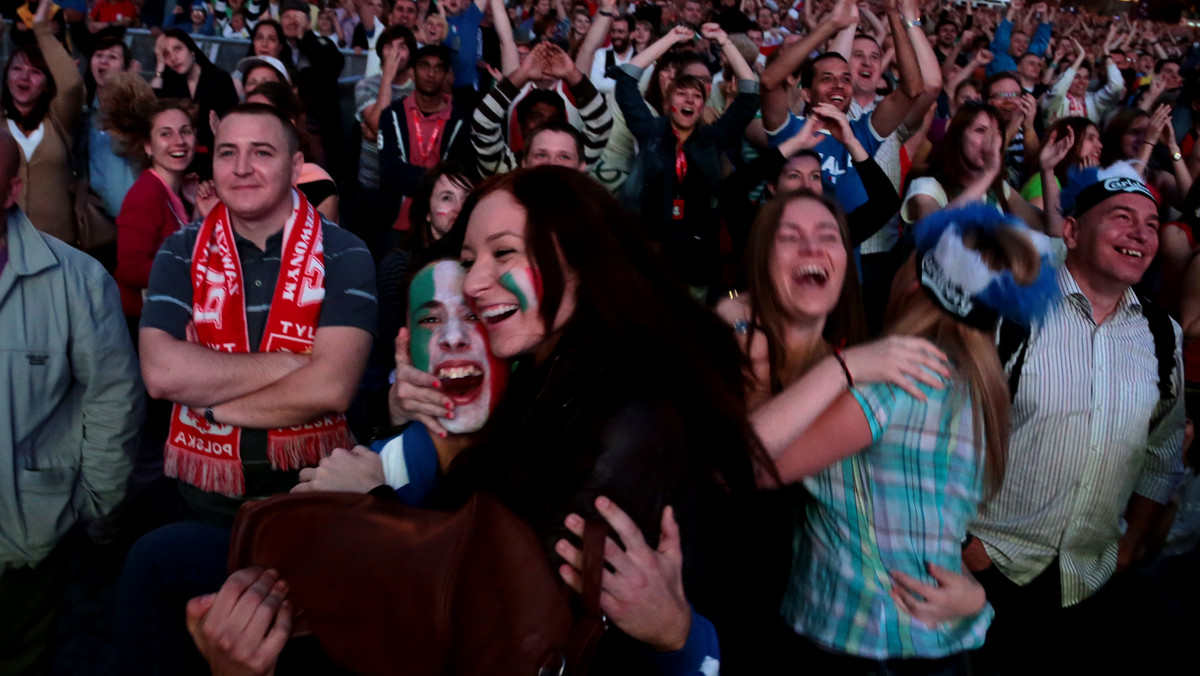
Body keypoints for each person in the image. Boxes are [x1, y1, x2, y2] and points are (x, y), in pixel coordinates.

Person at [116, 103, 377, 673]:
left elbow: (332, 386)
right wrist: (296, 360)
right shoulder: (179, 251)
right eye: (228, 153)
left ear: (295, 165)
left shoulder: (345, 251)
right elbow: (162, 374)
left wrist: (211, 396)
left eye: (263, 152)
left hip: (310, 509)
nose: (242, 167)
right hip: (202, 508)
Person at [755, 198, 1059, 674]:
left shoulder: (893, 380)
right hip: (936, 647)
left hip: (864, 644)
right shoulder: (974, 386)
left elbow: (747, 463)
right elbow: (919, 523)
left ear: (913, 281)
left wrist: (845, 368)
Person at [965, 163, 1185, 674]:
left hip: (1090, 581)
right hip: (990, 571)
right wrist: (964, 549)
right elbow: (944, 432)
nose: (1140, 234)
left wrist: (1131, 543)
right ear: (1071, 230)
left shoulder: (1160, 333)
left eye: (1152, 224)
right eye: (1121, 217)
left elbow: (1163, 451)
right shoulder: (1009, 311)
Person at [0, 127, 143, 676]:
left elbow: (114, 398)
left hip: (26, 544)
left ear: (11, 192)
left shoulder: (77, 282)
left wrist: (97, 504)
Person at [613, 21, 759, 297]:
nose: (689, 100)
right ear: (669, 102)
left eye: (696, 96)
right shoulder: (650, 130)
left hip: (698, 260)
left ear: (703, 106)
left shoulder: (712, 138)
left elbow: (750, 91)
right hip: (648, 256)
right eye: (681, 93)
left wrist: (724, 40)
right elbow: (626, 79)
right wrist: (669, 39)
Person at [106, 78, 198, 323]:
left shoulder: (173, 192)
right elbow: (130, 268)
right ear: (148, 146)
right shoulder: (147, 192)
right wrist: (191, 272)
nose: (179, 141)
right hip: (140, 323)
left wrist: (198, 208)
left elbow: (183, 248)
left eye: (185, 131)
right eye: (165, 134)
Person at [0, 0, 84, 245]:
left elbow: (71, 84)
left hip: (57, 247)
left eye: (35, 72)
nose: (24, 76)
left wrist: (42, 29)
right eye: (17, 69)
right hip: (5, 249)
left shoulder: (60, 119)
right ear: (6, 78)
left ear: (47, 83)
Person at [378, 45, 473, 244]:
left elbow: (460, 173)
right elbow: (389, 172)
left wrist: (410, 176)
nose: (431, 74)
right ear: (412, 72)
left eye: (438, 68)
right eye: (424, 66)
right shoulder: (392, 115)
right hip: (396, 221)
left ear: (447, 75)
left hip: (445, 222)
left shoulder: (461, 120)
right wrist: (438, 181)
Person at [472, 40, 612, 176]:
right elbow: (483, 123)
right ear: (520, 126)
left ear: (581, 166)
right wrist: (523, 73)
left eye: (563, 157)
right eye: (541, 155)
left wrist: (571, 73)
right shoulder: (507, 171)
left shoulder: (573, 170)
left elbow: (602, 124)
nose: (546, 123)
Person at [150, 29, 238, 170]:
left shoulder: (219, 78)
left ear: (191, 50)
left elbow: (233, 120)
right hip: (181, 158)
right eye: (166, 54)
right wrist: (160, 65)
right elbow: (153, 108)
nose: (173, 57)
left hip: (216, 155)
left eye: (177, 49)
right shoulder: (169, 83)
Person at [278, 0, 346, 181]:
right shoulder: (274, 45)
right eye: (287, 16)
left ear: (308, 22)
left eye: (297, 17)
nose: (292, 21)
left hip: (321, 129)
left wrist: (304, 36)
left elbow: (333, 67)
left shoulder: (323, 43)